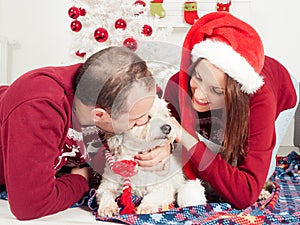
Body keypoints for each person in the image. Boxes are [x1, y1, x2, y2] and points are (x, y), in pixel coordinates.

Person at [0, 46, 171, 220]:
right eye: (137, 119)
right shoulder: (38, 108)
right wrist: (81, 180)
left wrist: (166, 146)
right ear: (99, 115)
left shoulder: (105, 89)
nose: (143, 122)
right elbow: (30, 205)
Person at [164, 12, 299, 209]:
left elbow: (245, 194)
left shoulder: (260, 101)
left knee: (254, 178)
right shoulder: (178, 84)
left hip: (279, 92)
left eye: (215, 90)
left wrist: (187, 138)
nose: (200, 95)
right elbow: (167, 145)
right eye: (198, 78)